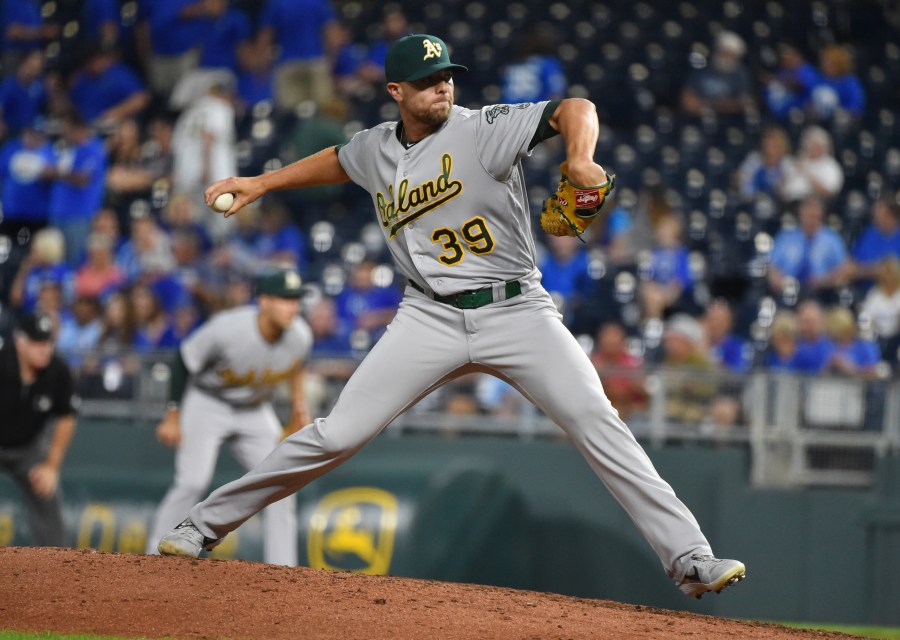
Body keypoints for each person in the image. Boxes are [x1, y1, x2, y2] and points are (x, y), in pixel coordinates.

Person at [158, 33, 746, 598]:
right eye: (426, 81)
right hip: (427, 318)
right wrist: (262, 183)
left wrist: (583, 158)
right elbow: (339, 160)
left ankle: (689, 555)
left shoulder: (482, 129)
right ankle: (201, 525)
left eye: (446, 77)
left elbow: (576, 107)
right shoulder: (375, 149)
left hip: (516, 309)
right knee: (335, 434)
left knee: (597, 418)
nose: (441, 88)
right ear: (396, 91)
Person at [146, 269, 313, 566]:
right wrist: (173, 414)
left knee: (282, 483)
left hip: (254, 408)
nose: (293, 307)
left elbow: (296, 365)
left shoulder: (300, 335)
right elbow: (183, 360)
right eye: (285, 299)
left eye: (296, 300)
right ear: (263, 301)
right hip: (209, 402)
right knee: (192, 482)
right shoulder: (228, 329)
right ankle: (151, 555)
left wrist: (299, 407)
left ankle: (284, 570)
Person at [0, 311, 78, 546]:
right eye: (37, 342)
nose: (45, 349)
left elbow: (66, 417)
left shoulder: (58, 371)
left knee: (47, 490)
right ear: (20, 342)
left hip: (29, 449)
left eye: (48, 341)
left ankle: (57, 568)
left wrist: (51, 466)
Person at [767, 195, 850, 301]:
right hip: (788, 294)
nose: (812, 220)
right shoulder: (786, 237)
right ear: (801, 215)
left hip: (823, 294)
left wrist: (824, 281)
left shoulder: (832, 239)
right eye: (809, 216)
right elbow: (771, 267)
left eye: (816, 217)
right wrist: (781, 283)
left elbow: (845, 269)